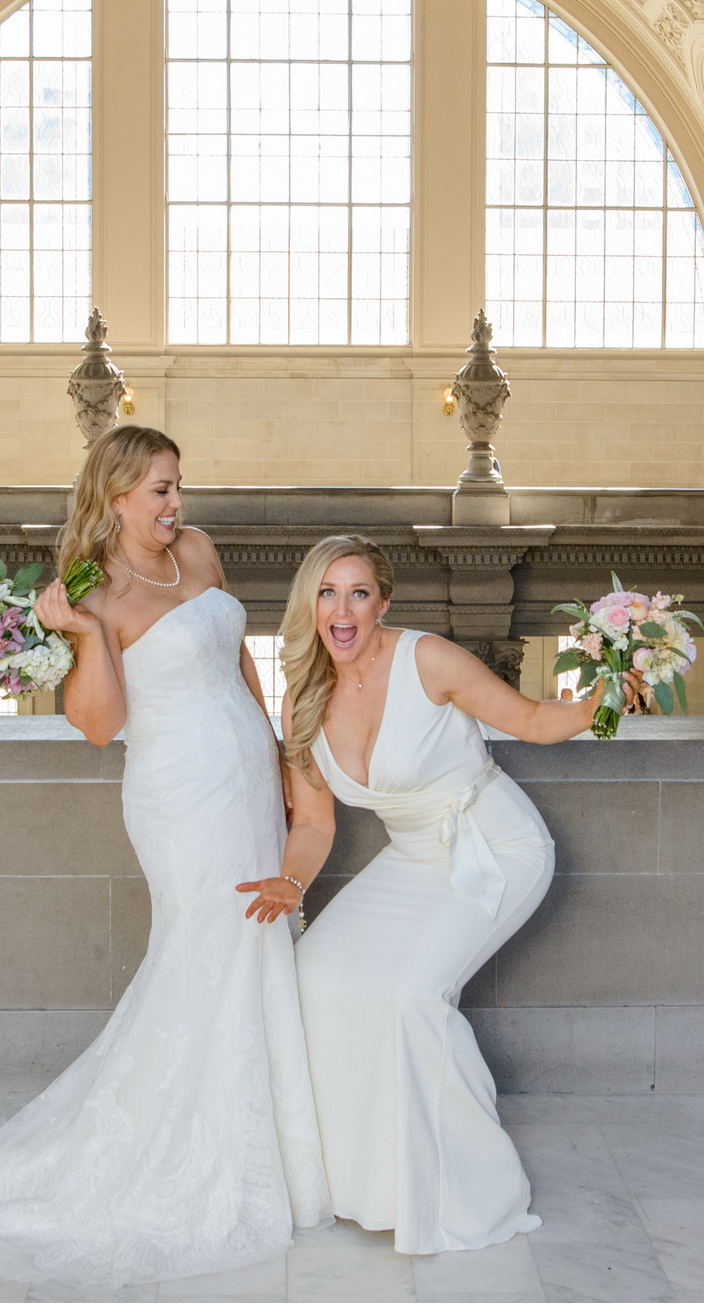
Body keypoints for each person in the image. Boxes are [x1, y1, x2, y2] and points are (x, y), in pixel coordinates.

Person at [0, 425, 329, 1287]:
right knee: (208, 945)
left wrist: (273, 755)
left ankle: (275, 1142)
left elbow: (238, 660)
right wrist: (84, 633)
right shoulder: (90, 586)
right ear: (117, 495)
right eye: (159, 489)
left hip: (243, 775)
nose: (176, 504)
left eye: (178, 485)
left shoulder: (199, 550)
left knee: (258, 940)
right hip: (179, 796)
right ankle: (173, 1150)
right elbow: (97, 726)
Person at [243, 536, 603, 1257]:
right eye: (326, 593)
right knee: (314, 972)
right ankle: (362, 1183)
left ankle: (471, 1187)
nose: (341, 611)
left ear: (383, 602)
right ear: (309, 604)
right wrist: (289, 878)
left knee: (411, 997)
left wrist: (603, 698)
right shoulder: (304, 700)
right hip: (409, 861)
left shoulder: (427, 660)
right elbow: (314, 822)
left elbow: (531, 721)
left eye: (357, 594)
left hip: (496, 848)